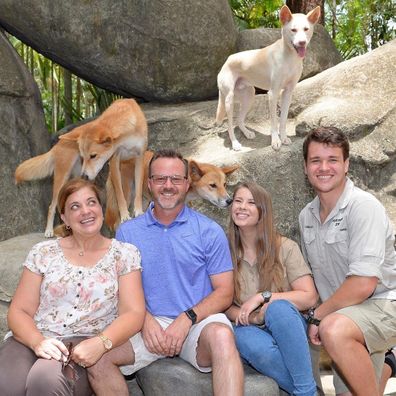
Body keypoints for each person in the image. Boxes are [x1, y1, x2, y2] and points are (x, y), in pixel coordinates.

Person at [113, 149, 244, 395]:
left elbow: (225, 292)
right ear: (150, 183)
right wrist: (144, 320)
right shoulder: (127, 233)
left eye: (175, 179)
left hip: (198, 321)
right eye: (160, 179)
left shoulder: (209, 231)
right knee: (99, 356)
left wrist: (187, 318)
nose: (168, 185)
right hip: (147, 321)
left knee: (223, 337)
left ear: (187, 184)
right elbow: (121, 291)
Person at [0, 178, 145, 396]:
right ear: (64, 218)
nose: (85, 211)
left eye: (91, 202)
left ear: (101, 209)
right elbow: (19, 311)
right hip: (33, 338)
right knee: (7, 383)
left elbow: (133, 313)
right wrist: (38, 342)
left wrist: (101, 343)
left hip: (82, 345)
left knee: (46, 382)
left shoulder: (124, 254)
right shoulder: (43, 253)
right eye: (75, 207)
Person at [299, 126, 396, 396]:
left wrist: (318, 316)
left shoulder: (363, 206)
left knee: (334, 329)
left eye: (333, 160)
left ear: (346, 165)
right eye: (315, 160)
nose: (324, 167)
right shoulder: (306, 216)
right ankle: (388, 360)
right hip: (347, 316)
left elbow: (364, 284)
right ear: (305, 167)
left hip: (384, 304)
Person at [225, 181, 318, 396]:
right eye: (238, 201)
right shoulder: (223, 250)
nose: (241, 207)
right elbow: (221, 302)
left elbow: (309, 297)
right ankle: (308, 392)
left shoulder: (285, 247)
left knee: (278, 308)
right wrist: (249, 317)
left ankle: (305, 392)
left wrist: (263, 297)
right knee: (247, 340)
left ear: (262, 211)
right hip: (247, 326)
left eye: (250, 202)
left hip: (288, 326)